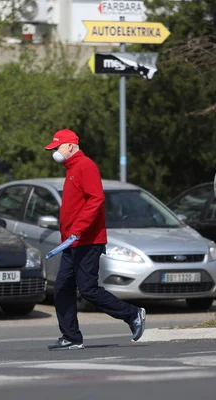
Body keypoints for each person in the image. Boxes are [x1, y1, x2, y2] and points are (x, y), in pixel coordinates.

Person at [44, 128, 146, 351]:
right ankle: (71, 337)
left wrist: (78, 229)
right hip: (72, 242)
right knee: (62, 288)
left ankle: (133, 315)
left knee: (87, 289)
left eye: (57, 147)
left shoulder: (85, 166)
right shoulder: (71, 168)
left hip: (87, 240)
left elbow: (96, 200)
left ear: (71, 146)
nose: (54, 152)